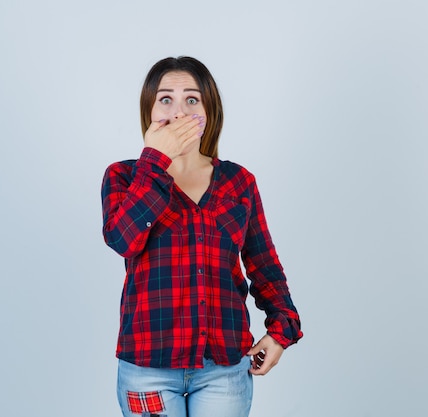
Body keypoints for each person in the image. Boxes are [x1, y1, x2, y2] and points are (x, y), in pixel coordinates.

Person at [101, 56, 303, 417]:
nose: (178, 112)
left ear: (209, 112)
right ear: (149, 111)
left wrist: (281, 330)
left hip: (223, 371)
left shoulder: (239, 183)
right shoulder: (125, 177)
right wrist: (155, 161)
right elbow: (123, 240)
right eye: (165, 99)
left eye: (191, 100)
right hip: (148, 370)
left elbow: (265, 266)